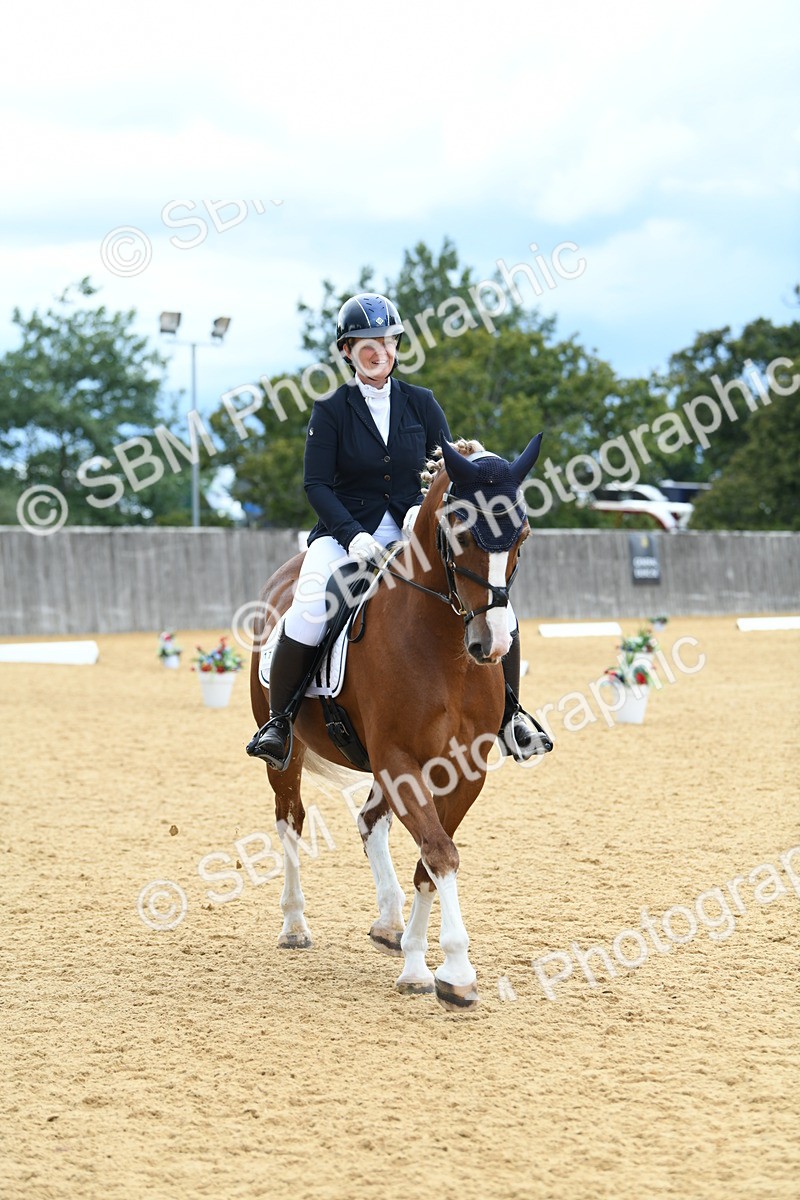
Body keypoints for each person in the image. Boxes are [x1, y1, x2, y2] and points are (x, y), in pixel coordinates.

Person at [246, 292, 542, 770]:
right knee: (308, 607)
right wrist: (350, 534)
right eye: (366, 343)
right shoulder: (331, 409)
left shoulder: (422, 404)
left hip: (413, 533)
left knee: (493, 602)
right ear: (346, 351)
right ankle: (279, 722)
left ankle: (511, 715)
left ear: (397, 345)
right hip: (346, 534)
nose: (377, 350)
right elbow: (316, 485)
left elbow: (444, 471)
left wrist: (448, 493)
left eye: (386, 340)